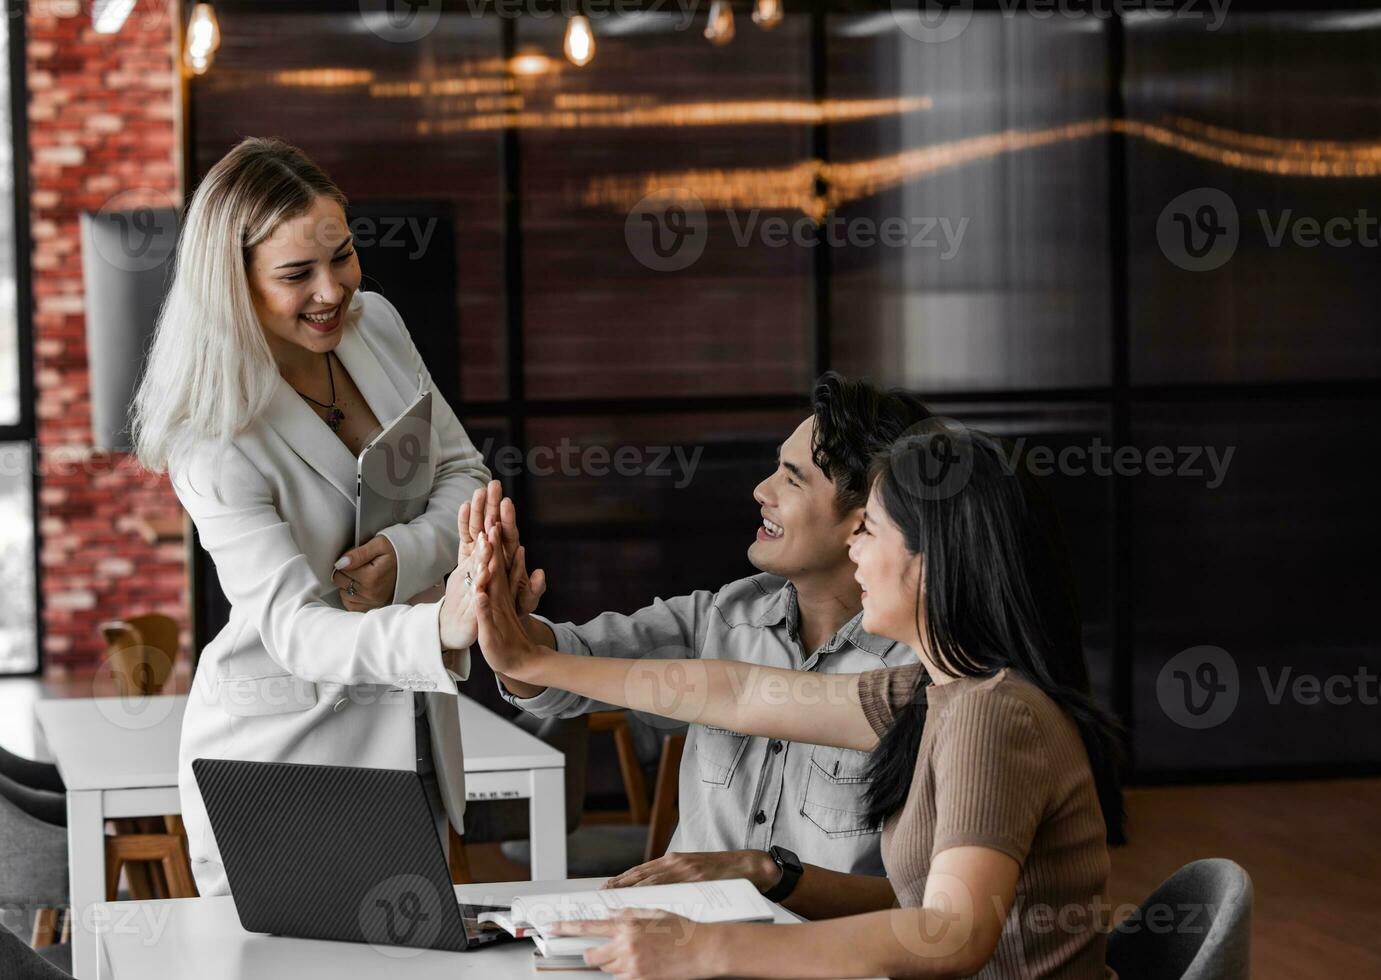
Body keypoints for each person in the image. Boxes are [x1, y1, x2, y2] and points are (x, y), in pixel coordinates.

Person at [464, 422, 1125, 979]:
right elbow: (741, 692)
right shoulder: (936, 693)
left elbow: (951, 931)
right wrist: (531, 658)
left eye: (869, 528)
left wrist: (707, 947)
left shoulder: (995, 714)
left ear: (932, 560)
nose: (852, 547)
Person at [131, 137, 496, 896]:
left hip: (410, 741)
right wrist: (440, 627)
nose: (334, 290)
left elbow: (464, 472)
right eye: (297, 274)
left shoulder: (379, 326)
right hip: (276, 764)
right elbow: (294, 630)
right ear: (233, 285)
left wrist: (408, 550)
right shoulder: (212, 436)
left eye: (344, 255)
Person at [486, 374, 930, 919]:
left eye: (791, 480)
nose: (760, 491)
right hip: (677, 944)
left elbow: (919, 905)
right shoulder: (724, 613)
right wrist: (505, 622)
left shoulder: (922, 670)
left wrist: (766, 873)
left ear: (864, 521)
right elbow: (564, 669)